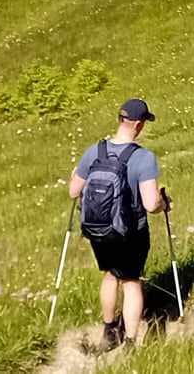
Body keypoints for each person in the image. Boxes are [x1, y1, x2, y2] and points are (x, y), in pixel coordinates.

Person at [70, 97, 170, 349]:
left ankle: (109, 331)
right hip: (130, 232)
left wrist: (75, 175)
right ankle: (130, 344)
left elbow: (73, 191)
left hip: (98, 230)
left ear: (120, 120)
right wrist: (163, 203)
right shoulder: (144, 158)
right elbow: (150, 205)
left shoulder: (95, 151)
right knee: (131, 282)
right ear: (138, 124)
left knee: (110, 275)